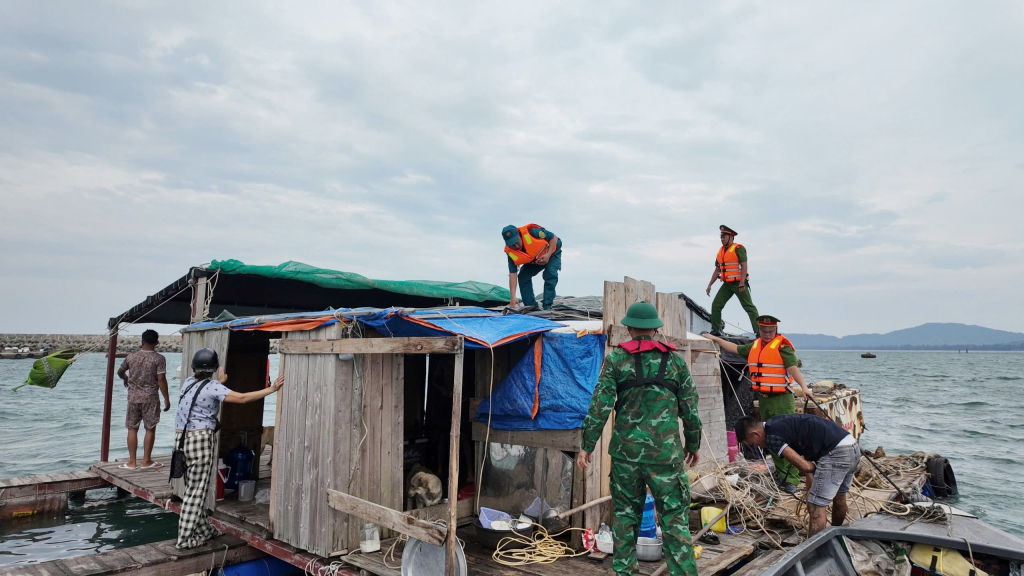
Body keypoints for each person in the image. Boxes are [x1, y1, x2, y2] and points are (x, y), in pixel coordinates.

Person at [578, 301, 701, 576]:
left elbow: (600, 406)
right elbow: (690, 409)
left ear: (629, 328)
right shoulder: (676, 362)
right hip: (666, 458)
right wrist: (693, 444)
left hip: (626, 458)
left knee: (625, 518)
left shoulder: (616, 360)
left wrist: (587, 445)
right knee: (674, 521)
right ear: (656, 330)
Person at [175, 348, 284, 549]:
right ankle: (185, 539)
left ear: (194, 367)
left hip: (181, 440)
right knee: (196, 492)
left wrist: (220, 382)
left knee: (194, 487)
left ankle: (204, 530)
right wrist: (272, 389)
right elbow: (241, 398)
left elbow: (206, 393)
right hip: (199, 440)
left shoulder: (188, 383)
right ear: (215, 368)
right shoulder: (213, 387)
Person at [703, 315, 813, 494]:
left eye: (770, 331)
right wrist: (716, 338)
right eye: (764, 331)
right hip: (763, 398)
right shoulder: (755, 346)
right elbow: (735, 348)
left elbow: (793, 368)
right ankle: (781, 474)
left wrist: (805, 387)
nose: (767, 334)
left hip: (781, 399)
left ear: (775, 330)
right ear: (759, 330)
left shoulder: (783, 347)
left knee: (787, 437)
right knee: (770, 438)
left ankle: (791, 479)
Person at [735, 414, 860, 535]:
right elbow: (807, 451)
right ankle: (836, 534)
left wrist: (817, 468)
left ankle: (816, 552)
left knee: (816, 506)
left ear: (755, 434)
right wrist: (812, 478)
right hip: (852, 447)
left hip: (835, 454)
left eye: (753, 443)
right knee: (839, 497)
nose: (756, 446)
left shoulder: (771, 437)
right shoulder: (778, 422)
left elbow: (805, 466)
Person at [117, 330, 170, 470]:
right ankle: (146, 461)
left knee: (132, 428)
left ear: (142, 342)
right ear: (157, 343)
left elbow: (120, 372)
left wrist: (126, 379)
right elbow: (161, 379)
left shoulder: (131, 357)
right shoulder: (159, 359)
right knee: (150, 428)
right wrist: (166, 398)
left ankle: (132, 462)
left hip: (133, 397)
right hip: (151, 398)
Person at [705, 225, 759, 334]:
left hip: (739, 283)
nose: (722, 239)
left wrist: (742, 282)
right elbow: (717, 270)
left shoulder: (738, 249)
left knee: (749, 307)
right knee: (716, 305)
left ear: (731, 237)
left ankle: (759, 332)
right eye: (721, 237)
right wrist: (710, 284)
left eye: (724, 236)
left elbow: (744, 266)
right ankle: (716, 330)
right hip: (727, 285)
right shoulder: (720, 251)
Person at [502, 223, 561, 310]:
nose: (516, 246)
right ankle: (531, 306)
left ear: (519, 234)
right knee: (523, 276)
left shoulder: (533, 232)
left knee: (550, 273)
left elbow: (554, 238)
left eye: (517, 242)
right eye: (512, 245)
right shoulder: (510, 253)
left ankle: (547, 305)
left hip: (551, 253)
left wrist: (548, 255)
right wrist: (513, 297)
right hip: (534, 260)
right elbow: (513, 274)